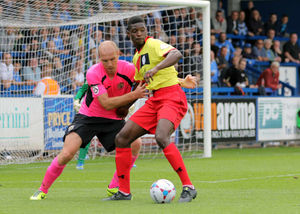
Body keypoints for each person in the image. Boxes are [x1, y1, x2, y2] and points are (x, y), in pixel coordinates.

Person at [30, 41, 147, 200]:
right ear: (99, 59)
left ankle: (114, 186)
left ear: (118, 55)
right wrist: (133, 95)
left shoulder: (130, 69)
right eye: (105, 61)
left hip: (113, 120)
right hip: (88, 118)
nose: (109, 64)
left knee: (136, 143)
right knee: (67, 153)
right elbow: (105, 103)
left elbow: (149, 78)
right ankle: (42, 189)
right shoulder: (93, 73)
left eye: (112, 59)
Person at [103, 16, 197, 203]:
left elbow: (176, 54)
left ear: (146, 31)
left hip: (172, 97)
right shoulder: (137, 58)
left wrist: (155, 69)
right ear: (128, 34)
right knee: (122, 138)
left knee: (161, 137)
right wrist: (124, 107)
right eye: (135, 31)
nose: (139, 33)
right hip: (154, 101)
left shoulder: (153, 44)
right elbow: (140, 86)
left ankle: (189, 187)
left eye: (142, 30)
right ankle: (123, 191)